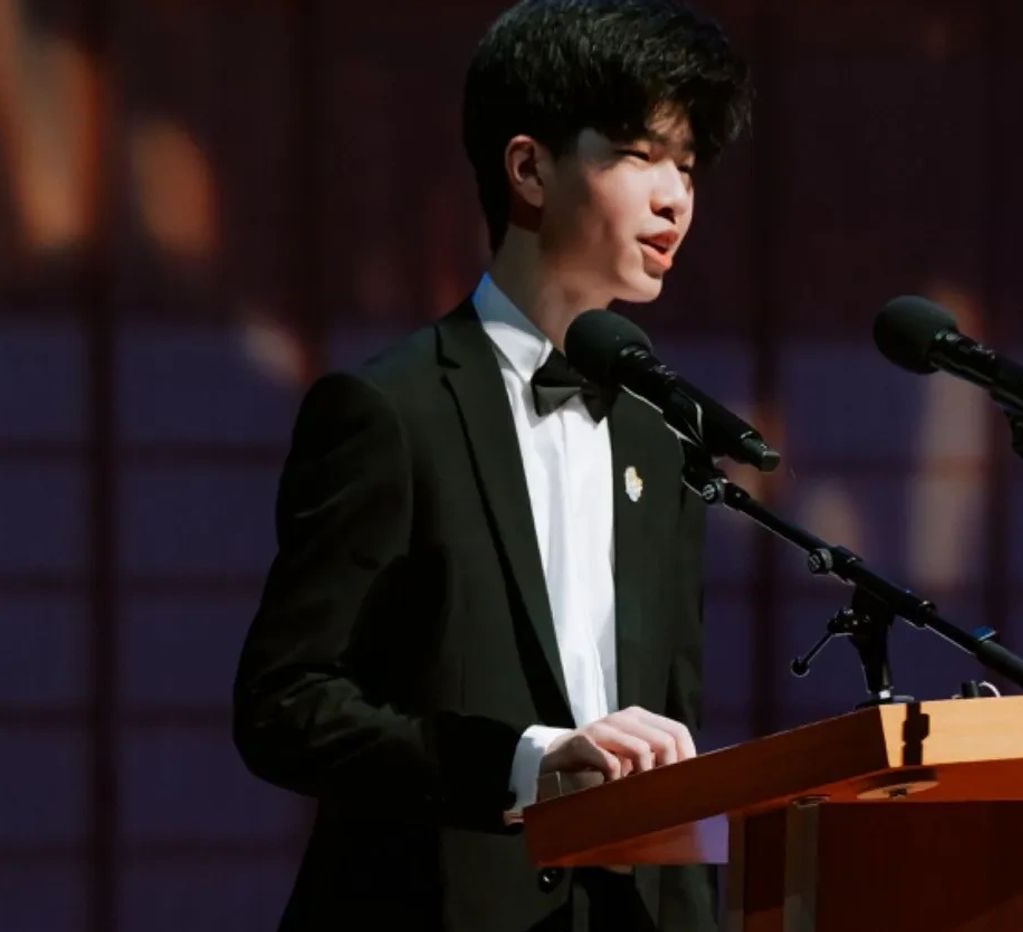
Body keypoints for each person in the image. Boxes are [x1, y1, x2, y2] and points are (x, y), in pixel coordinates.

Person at [233, 1, 751, 928]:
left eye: (686, 165)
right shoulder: (391, 412)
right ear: (529, 169)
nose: (675, 197)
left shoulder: (658, 434)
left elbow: (672, 736)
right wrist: (522, 765)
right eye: (639, 155)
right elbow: (284, 705)